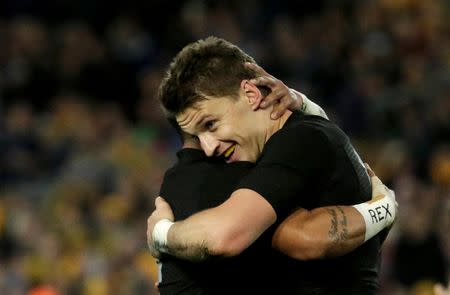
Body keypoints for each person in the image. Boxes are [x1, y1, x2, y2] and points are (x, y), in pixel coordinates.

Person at [148, 37, 397, 294]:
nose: (209, 147)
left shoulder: (298, 141)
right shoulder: (306, 133)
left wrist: (161, 233)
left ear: (251, 94)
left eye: (211, 124)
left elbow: (227, 236)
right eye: (198, 137)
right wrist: (385, 207)